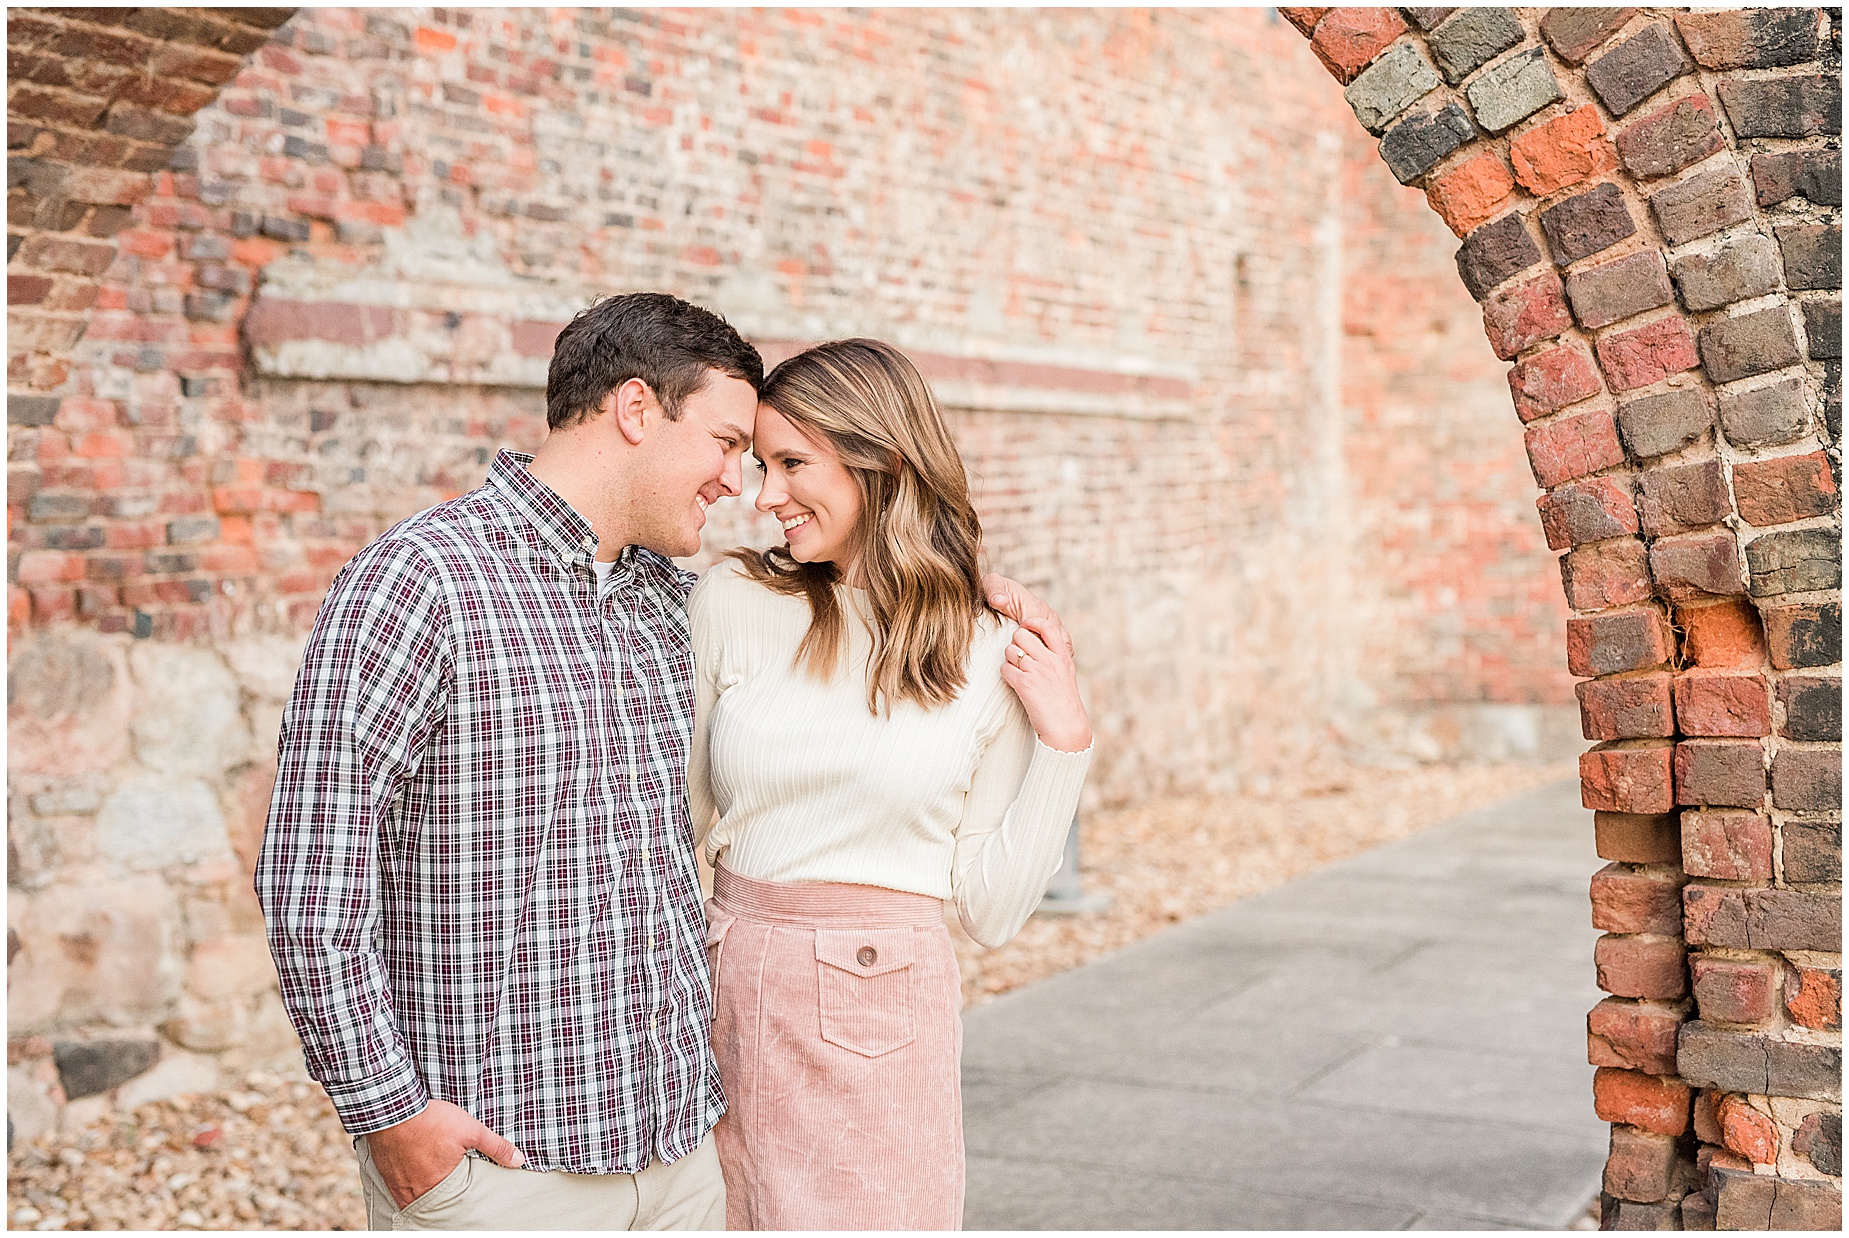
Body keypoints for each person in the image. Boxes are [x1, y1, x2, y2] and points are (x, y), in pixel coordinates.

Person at [256, 294, 1073, 1231]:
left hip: (679, 1145)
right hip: (503, 1158)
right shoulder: (422, 581)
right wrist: (388, 1112)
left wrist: (980, 628)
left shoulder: (660, 603)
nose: (742, 485)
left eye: (765, 458)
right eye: (732, 445)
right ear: (637, 410)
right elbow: (309, 877)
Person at [688, 338, 1093, 1230]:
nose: (765, 494)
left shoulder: (987, 648)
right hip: (721, 981)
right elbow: (676, 830)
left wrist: (1066, 740)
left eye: (793, 463)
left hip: (883, 1007)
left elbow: (989, 910)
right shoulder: (732, 603)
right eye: (760, 463)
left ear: (883, 459)